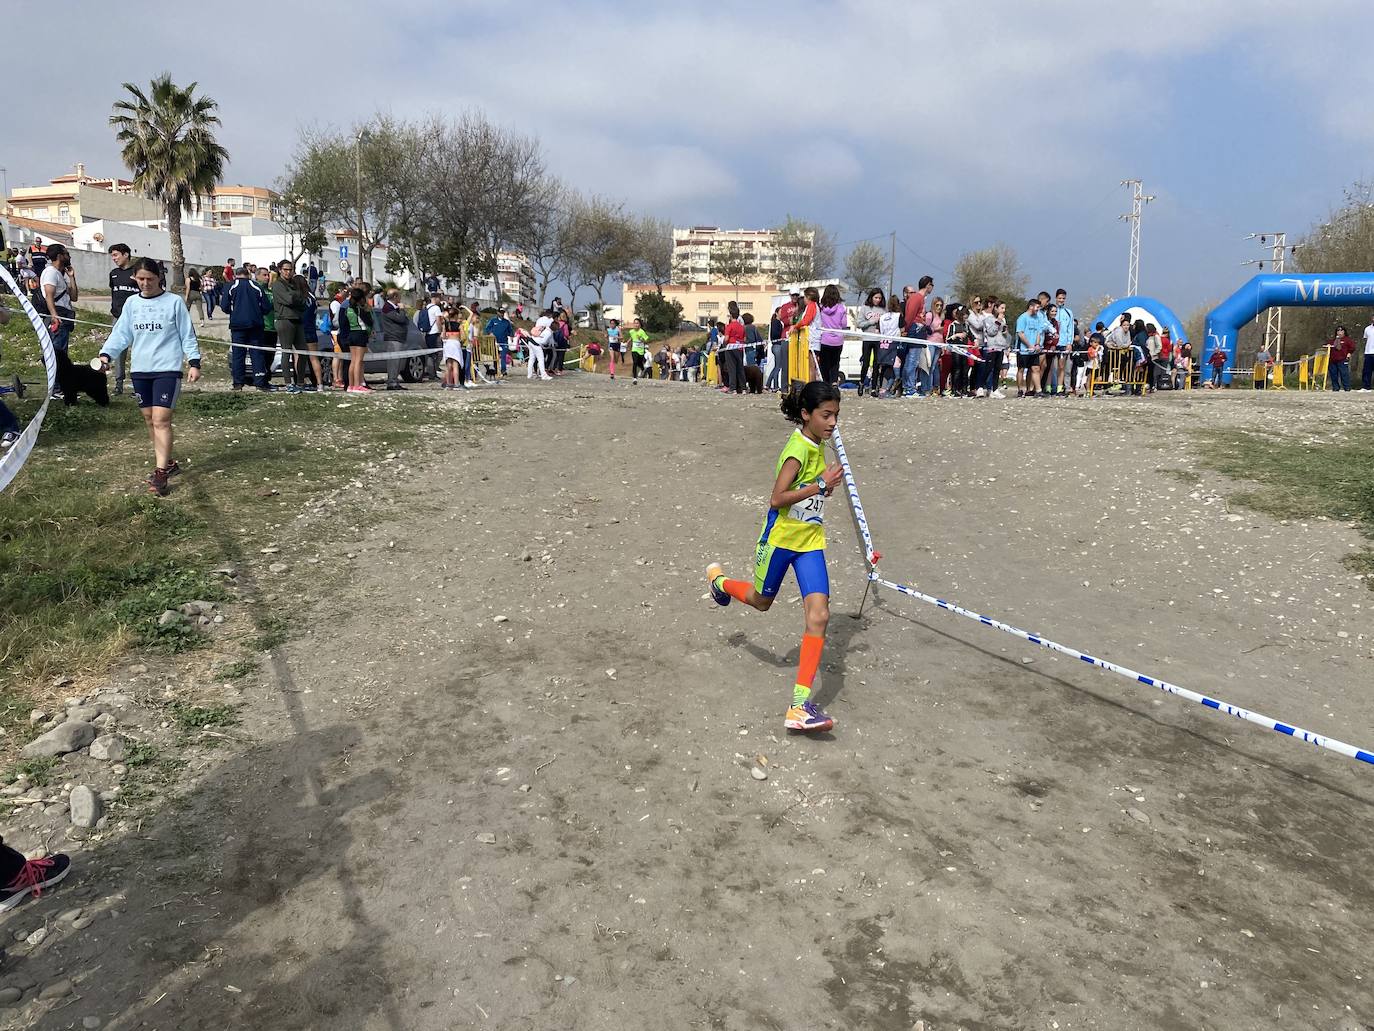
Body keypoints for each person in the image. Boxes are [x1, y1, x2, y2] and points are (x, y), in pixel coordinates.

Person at [706, 381, 844, 733]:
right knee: (761, 601)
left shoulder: (819, 444)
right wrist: (821, 486)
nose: (832, 423)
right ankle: (719, 582)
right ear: (806, 415)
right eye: (826, 415)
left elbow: (811, 496)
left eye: (836, 415)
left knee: (820, 615)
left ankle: (798, 706)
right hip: (781, 541)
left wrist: (821, 491)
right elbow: (777, 499)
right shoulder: (797, 449)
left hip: (810, 542)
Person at [96, 257, 201, 495]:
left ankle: (160, 473)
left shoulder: (174, 302)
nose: (145, 283)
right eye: (140, 279)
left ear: (159, 278)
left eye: (150, 279)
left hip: (167, 368)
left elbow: (187, 334)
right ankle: (169, 462)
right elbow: (121, 334)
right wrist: (106, 355)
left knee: (161, 420)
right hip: (141, 370)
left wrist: (194, 361)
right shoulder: (132, 304)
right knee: (149, 420)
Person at [226, 265, 269, 390]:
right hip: (255, 325)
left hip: (237, 326)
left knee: (238, 354)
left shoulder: (230, 286)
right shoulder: (257, 287)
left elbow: (224, 306)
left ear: (236, 275)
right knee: (257, 353)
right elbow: (266, 307)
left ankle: (238, 383)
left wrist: (235, 313)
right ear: (248, 274)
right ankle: (260, 382)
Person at [107, 243, 140, 396]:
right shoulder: (113, 273)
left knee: (138, 352)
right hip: (118, 319)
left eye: (116, 255)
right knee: (119, 352)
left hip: (136, 320)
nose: (114, 259)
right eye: (112, 256)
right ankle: (118, 385)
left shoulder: (137, 273)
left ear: (125, 254)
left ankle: (138, 386)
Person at [815, 284, 848, 385]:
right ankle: (834, 382)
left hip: (825, 339)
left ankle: (826, 382)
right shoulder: (842, 308)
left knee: (824, 363)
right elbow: (844, 324)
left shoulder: (821, 308)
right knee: (835, 363)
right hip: (838, 340)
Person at [342, 285, 373, 392]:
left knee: (353, 361)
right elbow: (369, 322)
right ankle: (357, 385)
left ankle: (350, 385)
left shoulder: (347, 309)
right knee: (358, 361)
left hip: (351, 334)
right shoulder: (360, 310)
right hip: (360, 334)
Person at [1015, 296, 1048, 397]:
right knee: (1021, 369)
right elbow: (1020, 333)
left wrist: (1037, 344)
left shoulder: (1037, 318)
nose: (1038, 309)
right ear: (1031, 306)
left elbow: (1039, 332)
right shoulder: (1022, 318)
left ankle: (1038, 390)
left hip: (1034, 351)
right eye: (1037, 307)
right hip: (1023, 350)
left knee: (1036, 369)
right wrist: (1029, 345)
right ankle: (1020, 389)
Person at [856, 288, 885, 395]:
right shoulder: (865, 308)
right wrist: (871, 321)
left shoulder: (883, 310)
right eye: (876, 297)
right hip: (867, 338)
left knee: (876, 364)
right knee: (866, 363)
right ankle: (861, 383)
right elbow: (859, 324)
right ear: (871, 297)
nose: (877, 300)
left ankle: (873, 388)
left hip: (878, 339)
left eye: (879, 298)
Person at [380, 288, 410, 391]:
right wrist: (402, 309)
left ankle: (395, 381)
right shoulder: (387, 308)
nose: (400, 299)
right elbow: (401, 319)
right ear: (395, 297)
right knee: (393, 362)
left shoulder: (394, 308)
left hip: (399, 338)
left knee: (397, 362)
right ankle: (391, 382)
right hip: (393, 338)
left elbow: (406, 320)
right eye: (399, 296)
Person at [874, 297, 901, 397]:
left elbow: (877, 331)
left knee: (885, 368)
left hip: (883, 344)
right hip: (894, 344)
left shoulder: (882, 317)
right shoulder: (898, 316)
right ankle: (888, 388)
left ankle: (882, 388)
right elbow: (902, 329)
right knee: (894, 366)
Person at [485, 306, 515, 377]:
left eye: (503, 313)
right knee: (495, 356)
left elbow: (510, 331)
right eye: (500, 312)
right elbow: (487, 328)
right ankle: (496, 370)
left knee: (503, 356)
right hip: (494, 342)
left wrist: (511, 336)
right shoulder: (493, 320)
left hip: (504, 342)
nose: (501, 314)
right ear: (497, 312)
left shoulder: (506, 322)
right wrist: (490, 333)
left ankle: (503, 370)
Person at [441, 305, 466, 389]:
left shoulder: (446, 325)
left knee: (448, 365)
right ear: (455, 316)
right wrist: (460, 340)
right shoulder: (459, 325)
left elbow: (443, 336)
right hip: (455, 343)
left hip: (448, 344)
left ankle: (448, 384)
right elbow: (463, 336)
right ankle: (456, 383)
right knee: (455, 365)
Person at [1328, 325, 1356, 392]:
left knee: (1344, 374)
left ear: (1344, 332)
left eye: (1341, 331)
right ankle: (1335, 388)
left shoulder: (1347, 340)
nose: (1340, 332)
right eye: (1338, 331)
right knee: (1333, 374)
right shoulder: (1333, 340)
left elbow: (1352, 348)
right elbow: (1328, 346)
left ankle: (1347, 388)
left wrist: (1349, 354)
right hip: (1333, 360)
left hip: (1342, 359)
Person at [766, 307, 788, 392]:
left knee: (776, 366)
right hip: (777, 346)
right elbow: (775, 334)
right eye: (781, 312)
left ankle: (768, 384)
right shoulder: (776, 322)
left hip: (777, 345)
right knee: (778, 366)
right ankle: (775, 385)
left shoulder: (778, 322)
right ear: (776, 313)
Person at [527, 310, 552, 380]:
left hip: (531, 339)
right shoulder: (548, 321)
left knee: (531, 359)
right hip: (537, 342)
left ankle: (529, 375)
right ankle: (544, 375)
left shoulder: (539, 319)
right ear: (549, 315)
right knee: (541, 359)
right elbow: (544, 340)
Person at [1362, 315, 1374, 392]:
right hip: (1369, 352)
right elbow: (1365, 339)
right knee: (1367, 370)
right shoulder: (1367, 329)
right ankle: (1366, 387)